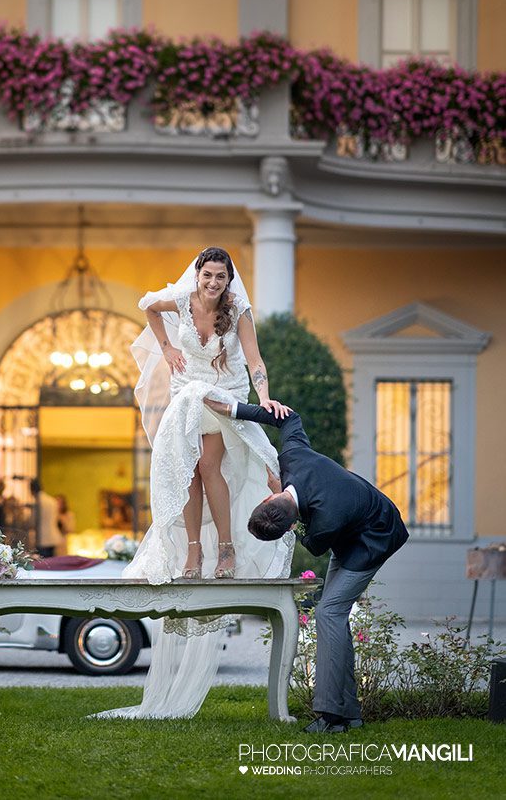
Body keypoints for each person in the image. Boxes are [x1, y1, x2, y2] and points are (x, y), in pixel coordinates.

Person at [93, 247, 294, 721]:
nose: (213, 283)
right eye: (208, 275)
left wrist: (264, 398)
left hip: (222, 393)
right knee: (184, 468)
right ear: (198, 275)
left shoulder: (238, 310)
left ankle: (225, 548)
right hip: (187, 390)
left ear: (228, 279)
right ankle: (191, 551)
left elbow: (255, 360)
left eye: (221, 276)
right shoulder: (181, 300)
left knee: (208, 465)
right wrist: (166, 347)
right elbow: (147, 304)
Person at [206, 398, 409, 733]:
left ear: (280, 512)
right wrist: (236, 410)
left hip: (376, 537)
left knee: (328, 613)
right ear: (269, 498)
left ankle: (330, 717)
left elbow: (315, 545)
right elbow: (289, 419)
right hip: (351, 529)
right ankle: (350, 714)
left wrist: (297, 527)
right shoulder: (293, 457)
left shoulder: (326, 520)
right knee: (333, 617)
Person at [30, 478, 63, 558]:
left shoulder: (37, 502)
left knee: (44, 562)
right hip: (53, 535)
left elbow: (32, 520)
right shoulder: (52, 500)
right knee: (51, 560)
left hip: (42, 538)